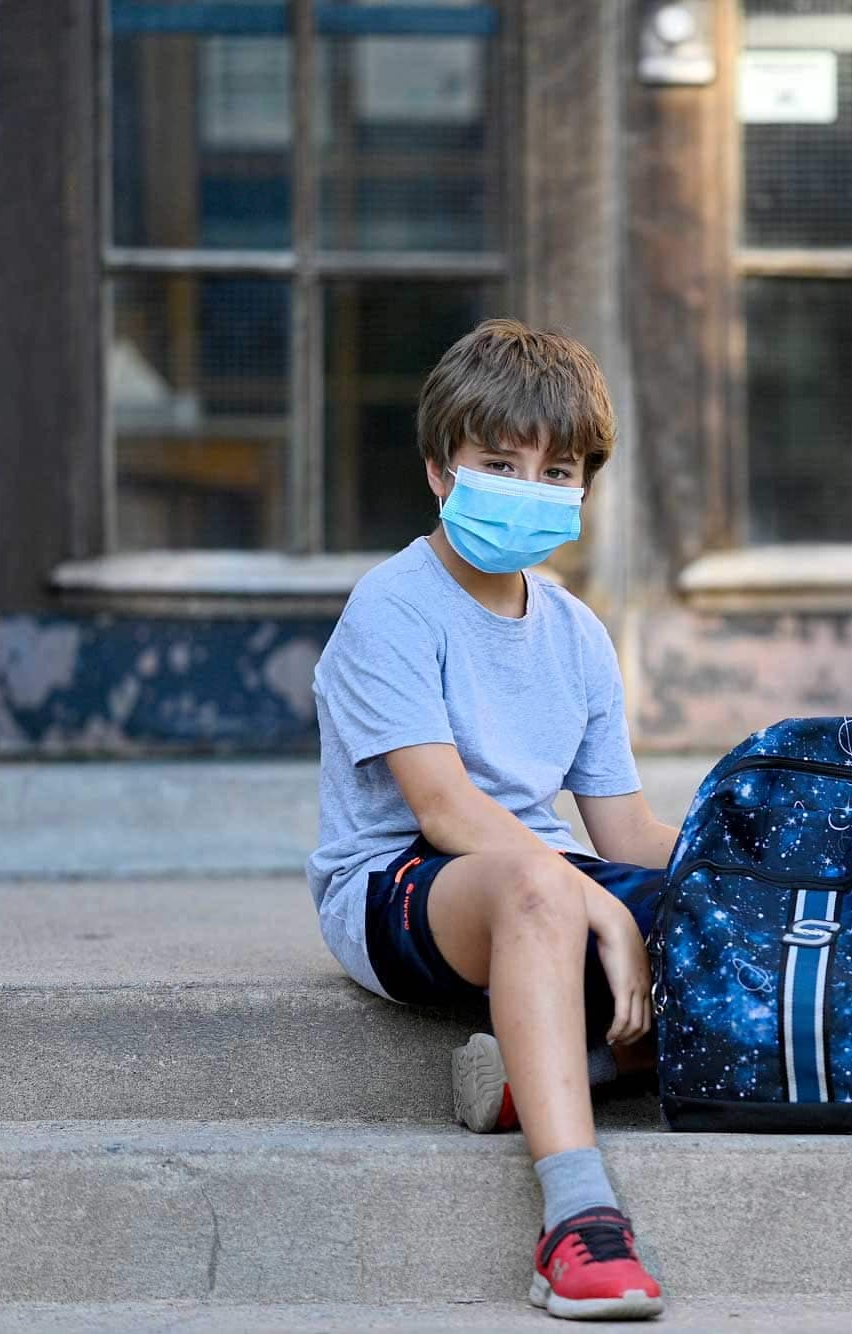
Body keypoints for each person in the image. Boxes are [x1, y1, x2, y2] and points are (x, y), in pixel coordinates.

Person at [306, 319, 675, 1321]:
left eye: (557, 470)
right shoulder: (392, 605)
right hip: (403, 884)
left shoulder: (575, 631)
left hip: (544, 875)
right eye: (499, 463)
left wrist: (744, 867)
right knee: (536, 886)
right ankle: (577, 1221)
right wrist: (591, 901)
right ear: (439, 470)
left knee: (718, 923)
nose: (531, 486)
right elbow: (441, 805)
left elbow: (626, 832)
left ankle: (544, 1066)